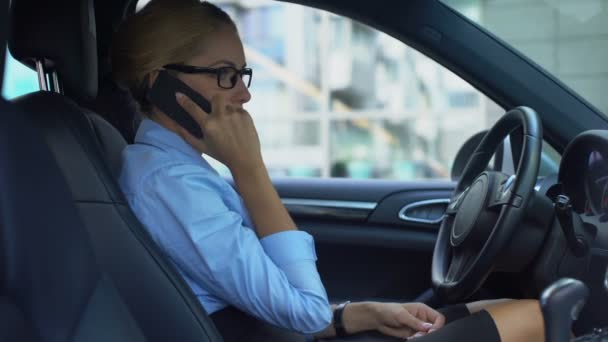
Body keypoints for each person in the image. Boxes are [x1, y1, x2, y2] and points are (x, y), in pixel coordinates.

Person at [112, 1, 546, 341]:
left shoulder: (174, 172)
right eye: (224, 75)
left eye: (243, 74)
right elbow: (305, 310)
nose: (243, 94)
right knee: (536, 318)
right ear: (161, 84)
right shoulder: (170, 186)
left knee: (504, 306)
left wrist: (356, 315)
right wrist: (251, 171)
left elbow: (278, 303)